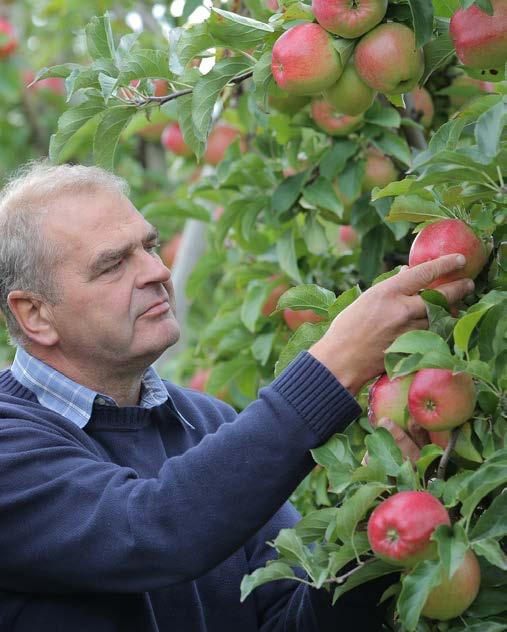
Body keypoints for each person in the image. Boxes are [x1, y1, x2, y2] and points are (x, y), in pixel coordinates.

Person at [0, 161, 474, 632]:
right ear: (35, 314)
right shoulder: (9, 440)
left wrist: (378, 540)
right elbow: (152, 530)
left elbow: (287, 618)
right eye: (112, 264)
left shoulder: (204, 421)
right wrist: (336, 366)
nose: (156, 270)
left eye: (148, 246)